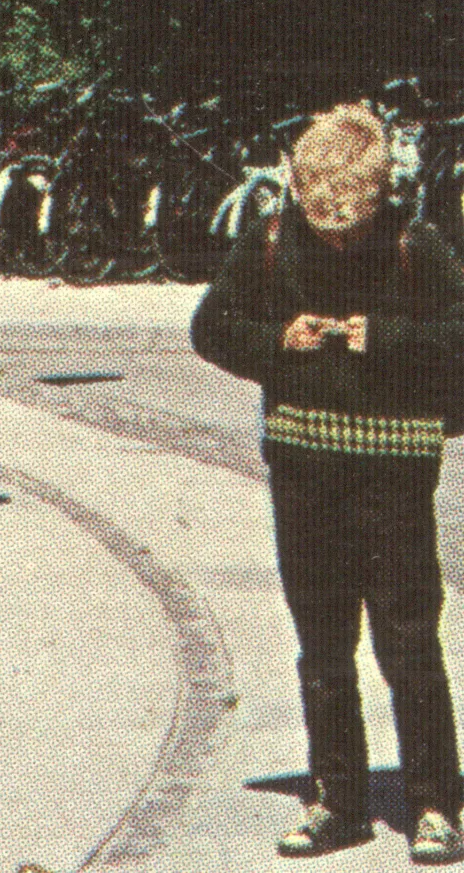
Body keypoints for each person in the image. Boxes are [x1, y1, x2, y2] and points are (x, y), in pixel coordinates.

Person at [193, 100, 464, 861]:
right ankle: (336, 797)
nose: (338, 233)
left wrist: (391, 337)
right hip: (305, 471)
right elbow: (211, 325)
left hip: (394, 476)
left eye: (352, 220)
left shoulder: (419, 245)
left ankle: (435, 802)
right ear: (299, 191)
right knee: (322, 643)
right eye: (324, 219)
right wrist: (277, 339)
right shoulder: (272, 240)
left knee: (409, 641)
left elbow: (460, 333)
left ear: (380, 196)